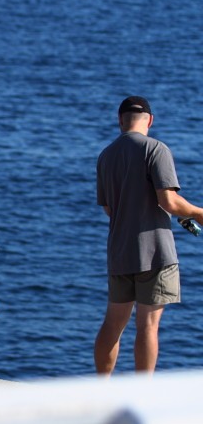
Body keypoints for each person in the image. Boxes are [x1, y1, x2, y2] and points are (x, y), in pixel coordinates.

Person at [94, 96, 203, 375]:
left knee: (113, 324)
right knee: (148, 325)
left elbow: (109, 208)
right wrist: (198, 213)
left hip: (119, 250)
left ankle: (102, 387)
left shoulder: (106, 156)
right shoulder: (156, 149)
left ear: (120, 120)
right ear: (150, 121)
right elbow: (169, 202)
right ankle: (143, 394)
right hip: (155, 251)